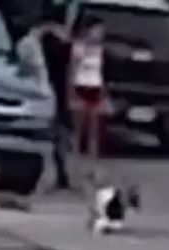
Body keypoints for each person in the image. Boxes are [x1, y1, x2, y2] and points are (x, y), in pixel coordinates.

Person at [38, 20, 73, 190]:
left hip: (58, 95)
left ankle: (62, 174)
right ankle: (61, 174)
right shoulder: (53, 45)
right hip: (56, 95)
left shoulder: (48, 43)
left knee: (59, 137)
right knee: (58, 136)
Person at [69, 19, 108, 167]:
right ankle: (74, 156)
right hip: (81, 86)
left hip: (95, 87)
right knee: (78, 126)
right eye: (97, 30)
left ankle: (93, 159)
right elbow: (72, 70)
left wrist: (104, 93)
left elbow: (101, 72)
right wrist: (71, 93)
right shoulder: (79, 47)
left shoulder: (100, 49)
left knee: (94, 126)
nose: (99, 34)